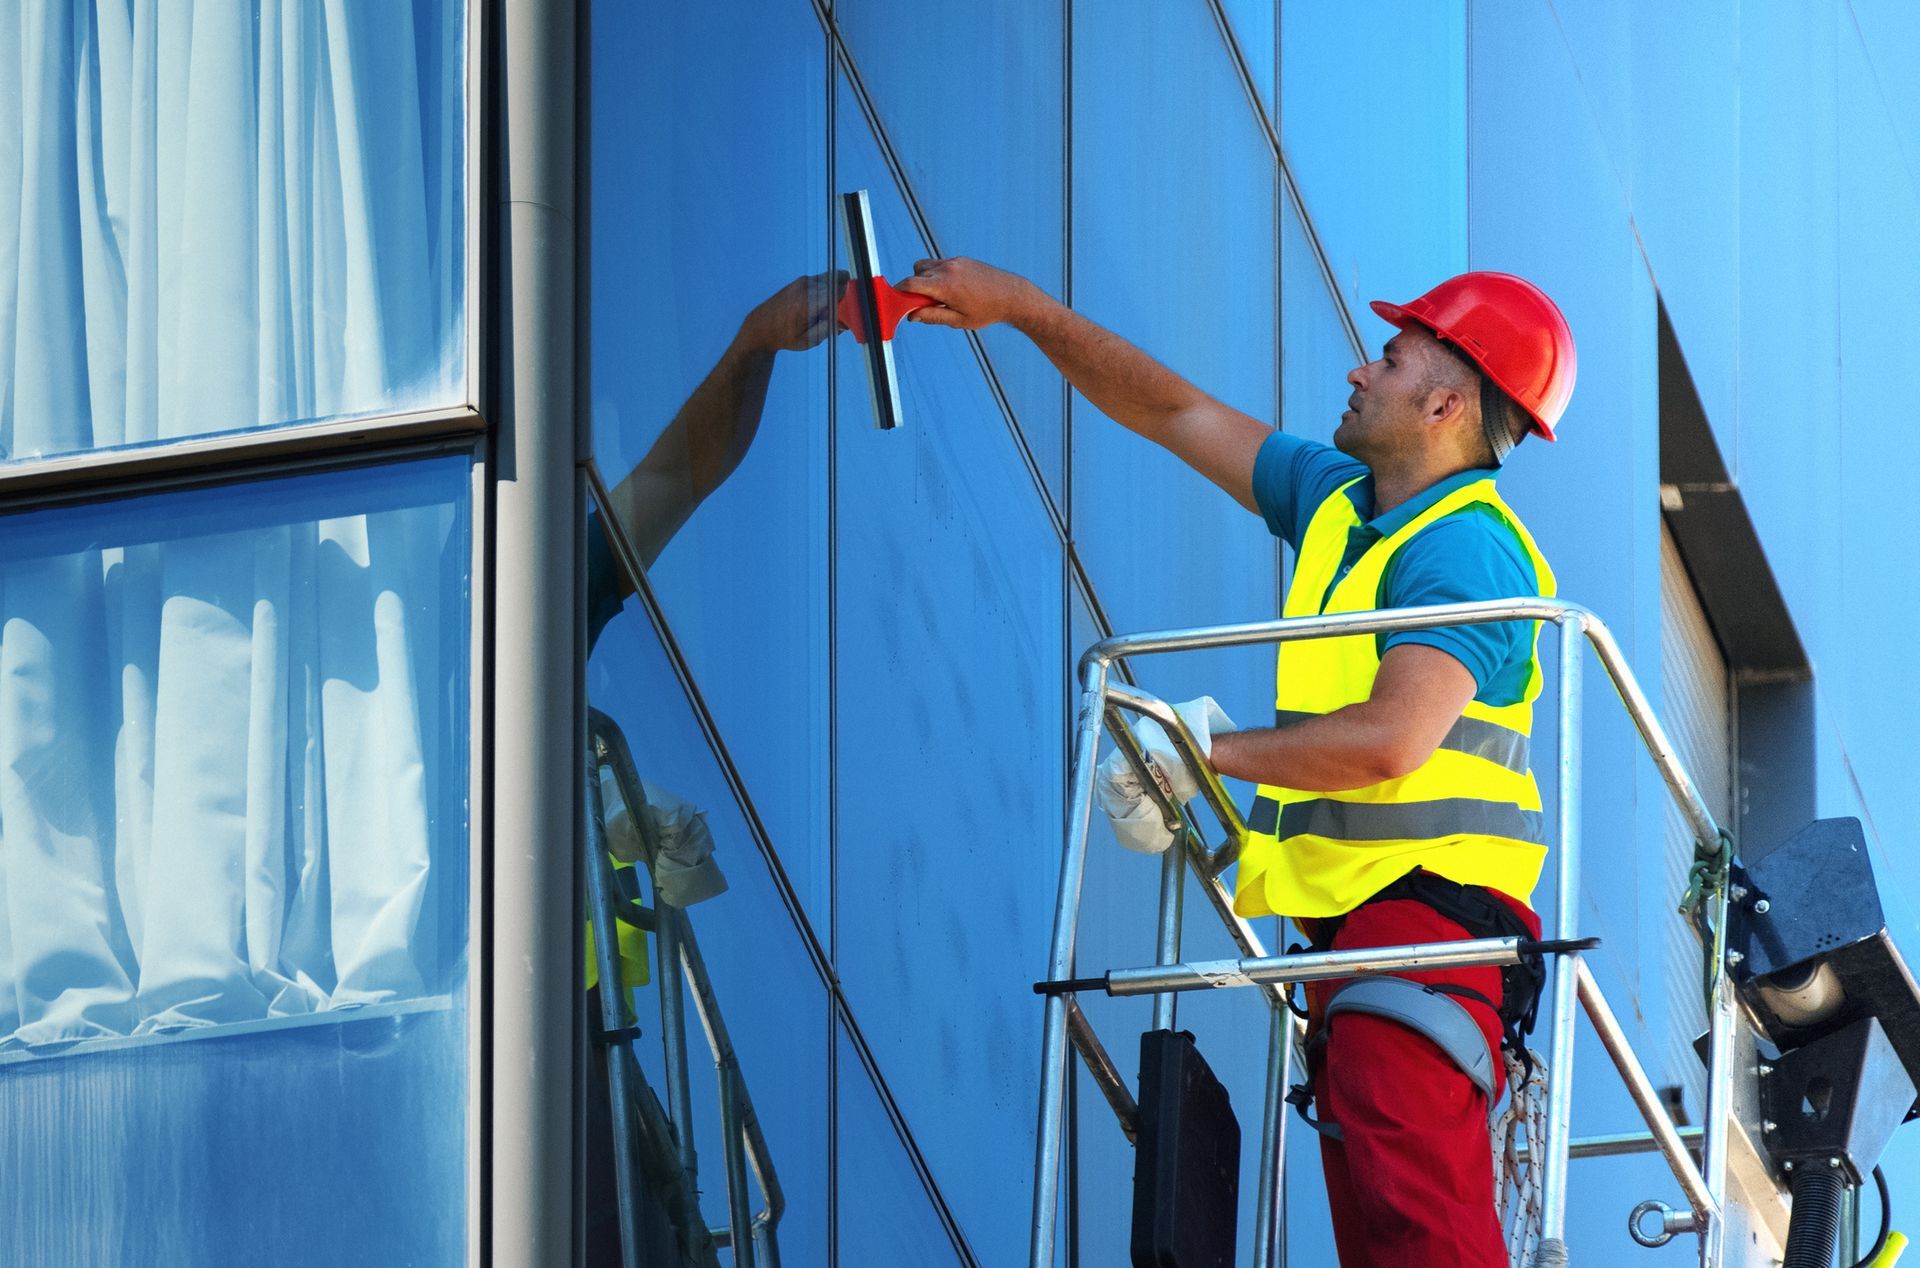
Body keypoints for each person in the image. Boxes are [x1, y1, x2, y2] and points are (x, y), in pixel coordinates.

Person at [898, 261, 1575, 1267]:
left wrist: (1198, 752)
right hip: (1361, 948)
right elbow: (1174, 412)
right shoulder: (1343, 499)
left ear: (1445, 401)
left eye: (1388, 360)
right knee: (1393, 1233)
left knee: (1422, 1230)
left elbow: (1394, 737)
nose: (1357, 371)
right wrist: (1027, 312)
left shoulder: (1466, 549)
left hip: (1424, 929)